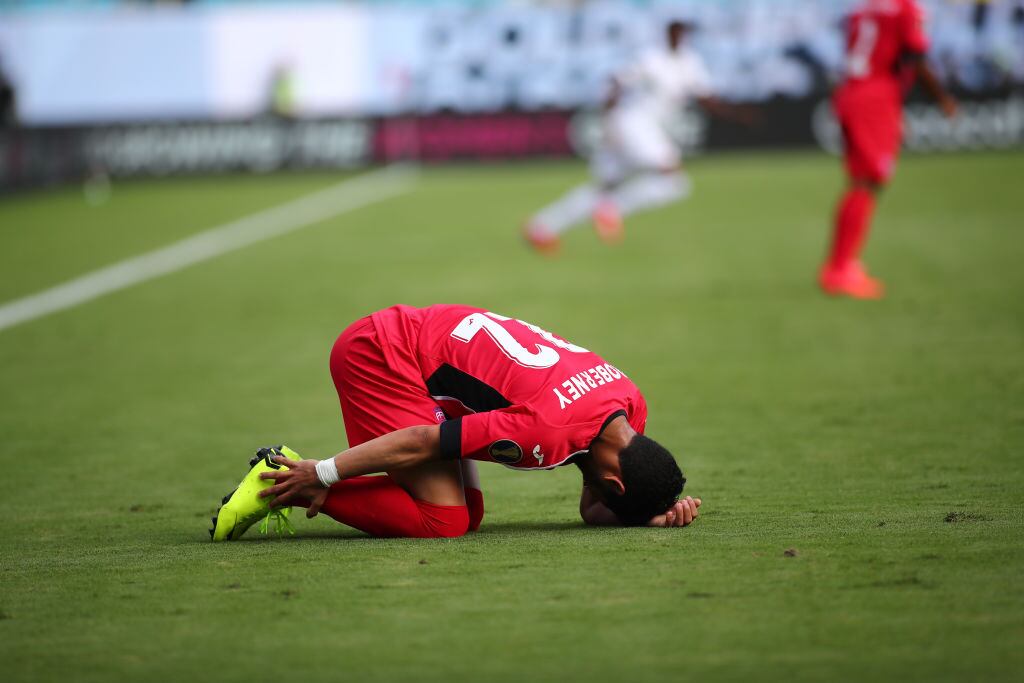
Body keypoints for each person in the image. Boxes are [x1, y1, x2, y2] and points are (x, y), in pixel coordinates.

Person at [210, 304, 700, 541]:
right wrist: (325, 472)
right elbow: (426, 441)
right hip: (382, 355)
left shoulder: (630, 404)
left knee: (470, 515)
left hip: (424, 347)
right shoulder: (545, 432)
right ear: (614, 478)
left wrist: (653, 510)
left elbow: (595, 505)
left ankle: (311, 481)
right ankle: (294, 481)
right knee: (444, 520)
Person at [523, 19, 748, 255]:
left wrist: (737, 114)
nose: (680, 38)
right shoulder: (651, 58)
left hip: (639, 128)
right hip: (633, 123)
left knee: (603, 190)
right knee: (673, 181)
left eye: (684, 34)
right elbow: (617, 82)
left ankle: (542, 227)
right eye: (677, 33)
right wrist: (608, 121)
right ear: (668, 34)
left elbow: (705, 98)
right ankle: (613, 209)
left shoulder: (690, 62)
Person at [821, 0, 957, 299]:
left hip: (852, 90)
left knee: (862, 181)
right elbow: (916, 57)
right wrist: (943, 98)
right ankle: (839, 269)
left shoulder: (862, 8)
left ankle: (843, 264)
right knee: (867, 182)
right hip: (875, 96)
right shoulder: (906, 8)